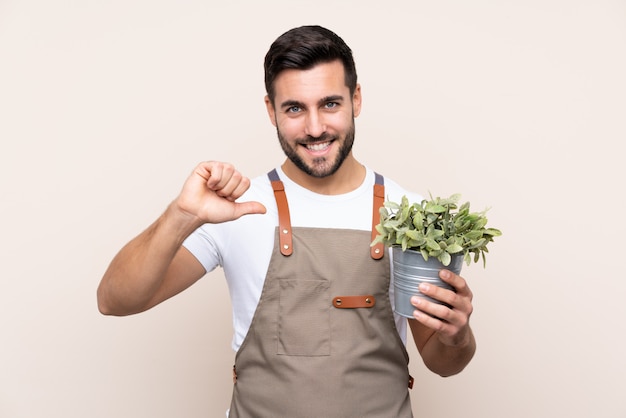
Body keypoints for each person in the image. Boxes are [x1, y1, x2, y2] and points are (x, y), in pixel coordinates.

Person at [97, 25, 476, 417]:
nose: (315, 128)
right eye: (295, 108)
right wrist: (182, 214)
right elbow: (114, 300)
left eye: (330, 104)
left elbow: (442, 361)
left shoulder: (408, 215)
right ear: (271, 110)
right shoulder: (236, 208)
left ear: (356, 99)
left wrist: (457, 335)